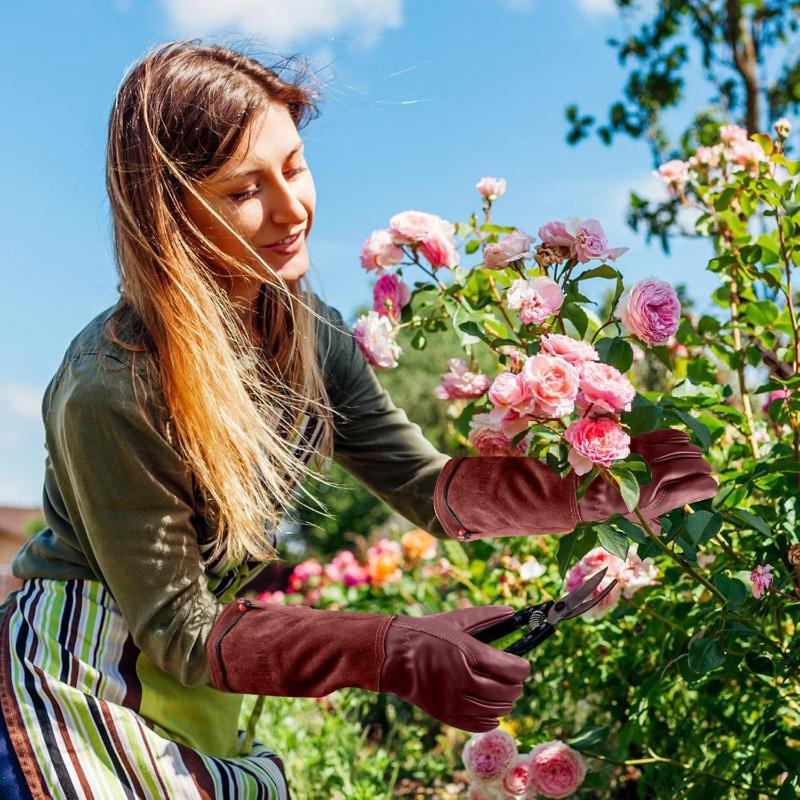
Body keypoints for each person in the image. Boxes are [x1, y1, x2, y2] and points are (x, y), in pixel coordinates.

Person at [0, 40, 718, 800]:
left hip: (187, 688)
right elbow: (181, 627)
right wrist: (390, 649)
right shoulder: (113, 387)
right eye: (244, 191)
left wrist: (601, 487)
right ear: (171, 216)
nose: (291, 210)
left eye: (294, 166)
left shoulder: (307, 331)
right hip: (71, 688)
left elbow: (423, 484)